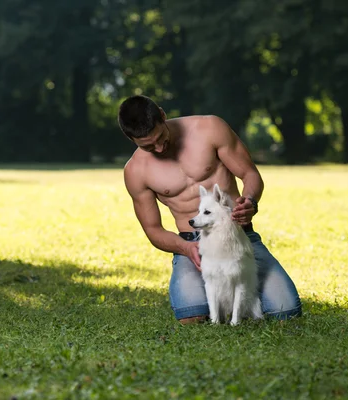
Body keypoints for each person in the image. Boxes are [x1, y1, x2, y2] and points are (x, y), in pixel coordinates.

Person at [117, 95, 301, 324]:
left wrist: (250, 201)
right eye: (148, 146)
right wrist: (186, 248)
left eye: (160, 137)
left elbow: (250, 174)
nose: (159, 147)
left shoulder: (210, 128)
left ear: (163, 116)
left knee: (286, 313)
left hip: (238, 236)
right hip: (193, 243)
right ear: (131, 138)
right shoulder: (135, 171)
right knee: (192, 317)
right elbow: (153, 230)